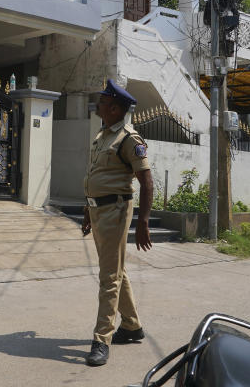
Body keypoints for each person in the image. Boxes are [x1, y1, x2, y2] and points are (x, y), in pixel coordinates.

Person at [81, 78, 154, 367]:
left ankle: (102, 339)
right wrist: (87, 211)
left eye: (102, 100)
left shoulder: (128, 139)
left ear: (113, 108)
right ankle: (132, 326)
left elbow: (146, 183)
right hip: (99, 211)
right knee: (116, 271)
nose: (97, 103)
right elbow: (96, 178)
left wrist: (143, 222)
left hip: (116, 211)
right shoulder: (103, 134)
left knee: (109, 277)